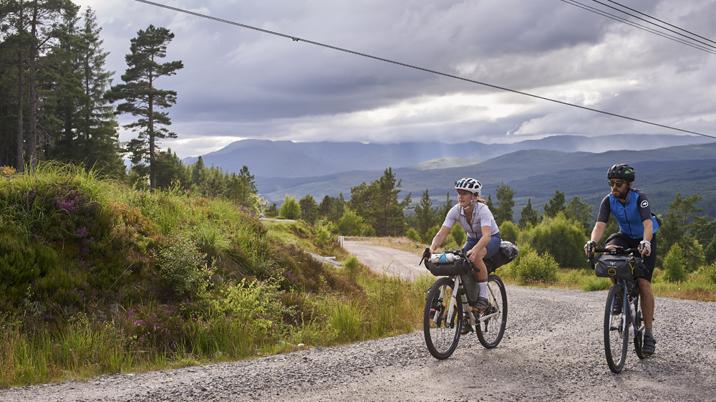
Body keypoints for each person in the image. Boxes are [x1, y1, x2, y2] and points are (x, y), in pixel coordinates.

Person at [584, 163, 659, 355]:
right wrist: (592, 242)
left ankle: (649, 334)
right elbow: (600, 225)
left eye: (618, 184)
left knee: (643, 284)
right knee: (609, 253)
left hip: (644, 237)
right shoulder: (608, 200)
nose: (614, 188)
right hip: (624, 235)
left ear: (627, 184)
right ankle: (618, 291)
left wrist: (646, 242)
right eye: (611, 183)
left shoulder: (639, 198)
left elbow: (648, 224)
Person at [430, 177, 502, 332]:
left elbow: (486, 236)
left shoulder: (483, 210)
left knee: (475, 257)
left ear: (474, 196)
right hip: (472, 239)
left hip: (491, 239)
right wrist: (431, 248)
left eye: (465, 193)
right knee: (457, 264)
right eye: (459, 193)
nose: (460, 196)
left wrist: (476, 250)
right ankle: (466, 312)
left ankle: (482, 299)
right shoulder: (456, 210)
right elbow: (442, 233)